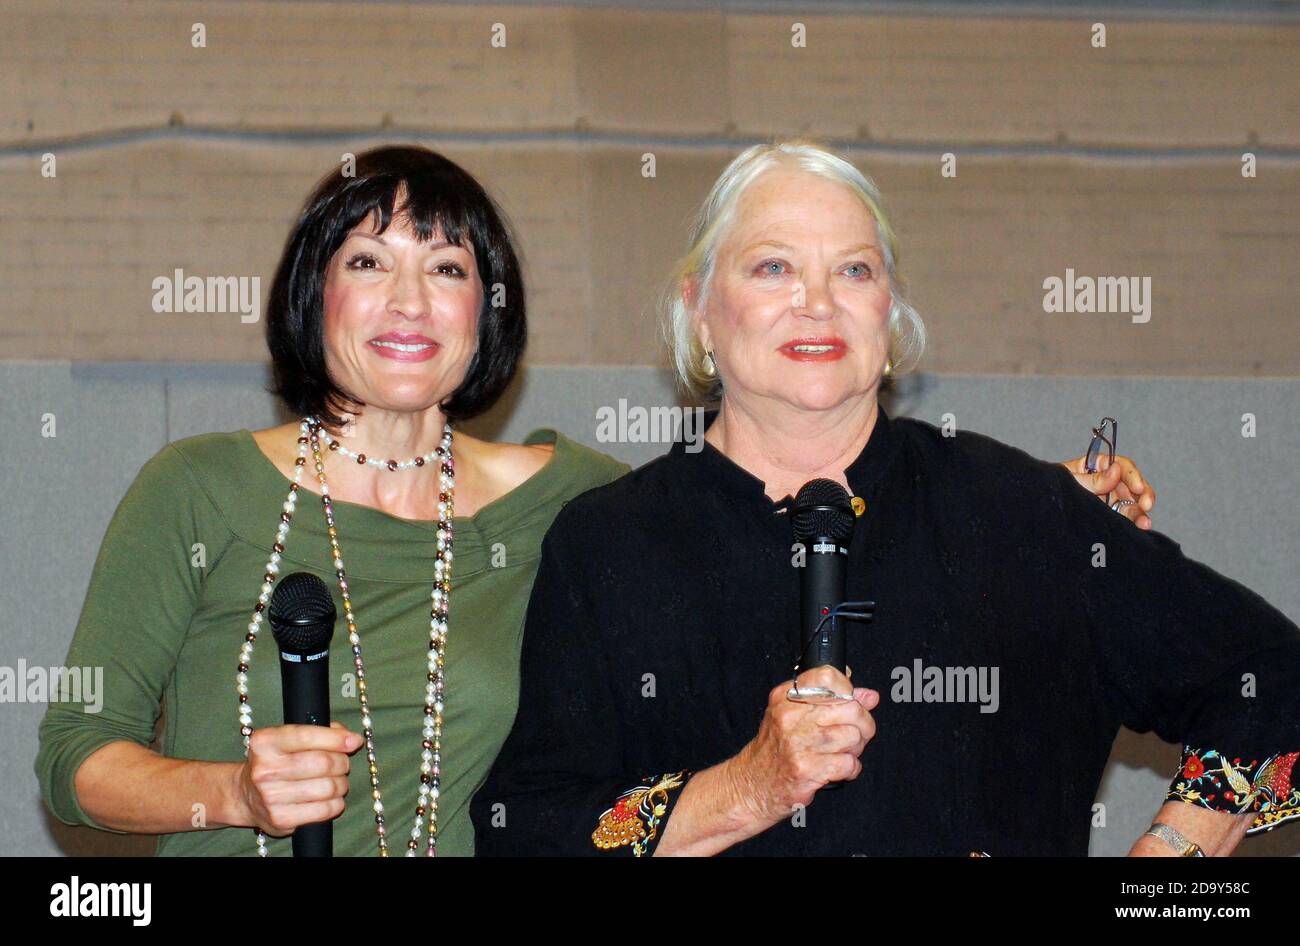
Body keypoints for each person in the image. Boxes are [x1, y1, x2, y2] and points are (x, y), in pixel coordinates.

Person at [35, 144, 1156, 857]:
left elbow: (756, 491)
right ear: (310, 295)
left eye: (449, 267)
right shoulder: (195, 490)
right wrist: (233, 791)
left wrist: (1036, 501)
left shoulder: (572, 501)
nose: (410, 300)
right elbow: (78, 759)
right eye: (370, 262)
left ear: (488, 311)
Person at [470, 138, 1299, 857]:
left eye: (854, 270)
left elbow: (1272, 680)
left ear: (889, 310)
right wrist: (746, 790)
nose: (818, 302)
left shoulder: (1023, 513)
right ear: (700, 312)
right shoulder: (612, 544)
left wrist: (1172, 864)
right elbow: (530, 828)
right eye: (774, 267)